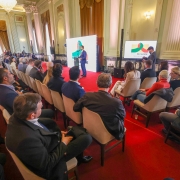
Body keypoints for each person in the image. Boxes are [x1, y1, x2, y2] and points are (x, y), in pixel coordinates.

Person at [6, 93, 92, 180]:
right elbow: (48, 164)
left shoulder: (16, 117)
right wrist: (63, 143)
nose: (42, 107)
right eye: (40, 108)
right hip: (51, 160)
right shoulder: (27, 140)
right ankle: (77, 147)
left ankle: (79, 156)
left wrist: (54, 134)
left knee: (73, 132)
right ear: (32, 115)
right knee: (86, 138)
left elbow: (38, 128)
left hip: (44, 144)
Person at [74, 73, 126, 140]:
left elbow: (75, 108)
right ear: (110, 85)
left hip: (90, 126)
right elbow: (123, 115)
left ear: (97, 83)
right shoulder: (116, 102)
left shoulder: (87, 96)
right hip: (108, 129)